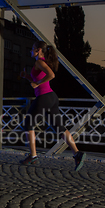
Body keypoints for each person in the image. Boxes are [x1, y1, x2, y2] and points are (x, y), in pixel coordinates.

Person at [20, 41, 86, 171]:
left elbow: (51, 75)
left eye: (32, 49)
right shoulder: (42, 62)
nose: (30, 51)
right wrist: (27, 77)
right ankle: (77, 153)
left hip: (44, 97)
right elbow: (38, 81)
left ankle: (33, 156)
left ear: (38, 50)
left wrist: (37, 83)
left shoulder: (39, 62)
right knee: (60, 128)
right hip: (51, 97)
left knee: (28, 124)